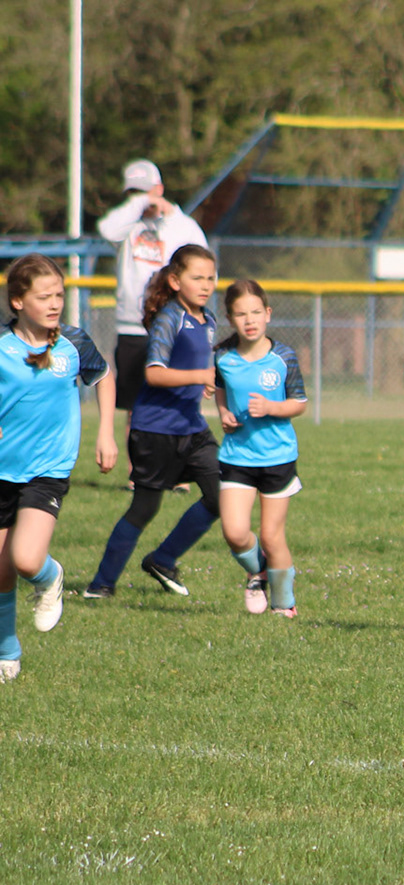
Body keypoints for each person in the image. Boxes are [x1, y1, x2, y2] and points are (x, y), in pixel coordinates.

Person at [82, 245, 224, 599]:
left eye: (211, 278)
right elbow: (155, 373)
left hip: (192, 428)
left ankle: (163, 559)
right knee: (144, 508)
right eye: (197, 278)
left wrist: (205, 382)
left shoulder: (208, 319)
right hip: (154, 430)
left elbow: (196, 368)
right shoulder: (168, 318)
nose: (206, 285)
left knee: (222, 496)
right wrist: (199, 375)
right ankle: (101, 585)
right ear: (175, 281)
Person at [0, 255, 115, 681]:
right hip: (3, 468)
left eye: (59, 296)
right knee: (1, 570)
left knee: (27, 559)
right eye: (43, 297)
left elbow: (103, 377)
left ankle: (50, 577)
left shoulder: (73, 341)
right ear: (17, 301)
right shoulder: (2, 346)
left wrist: (106, 433)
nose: (54, 304)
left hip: (48, 467)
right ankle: (7, 652)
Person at [212, 280, 307, 617]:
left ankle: (284, 604)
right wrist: (223, 412)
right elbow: (220, 388)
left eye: (255, 312)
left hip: (277, 457)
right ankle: (258, 572)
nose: (249, 320)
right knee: (235, 532)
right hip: (237, 455)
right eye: (241, 314)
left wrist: (271, 407)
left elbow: (299, 403)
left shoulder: (283, 357)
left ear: (268, 314)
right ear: (230, 319)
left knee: (271, 536)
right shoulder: (223, 357)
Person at [97, 160, 207, 424]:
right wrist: (138, 204)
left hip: (172, 327)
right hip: (132, 328)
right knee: (135, 409)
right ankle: (136, 455)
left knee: (177, 404)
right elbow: (107, 229)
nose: (140, 199)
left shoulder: (184, 226)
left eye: (144, 192)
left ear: (159, 189)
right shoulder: (126, 227)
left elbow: (203, 270)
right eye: (133, 193)